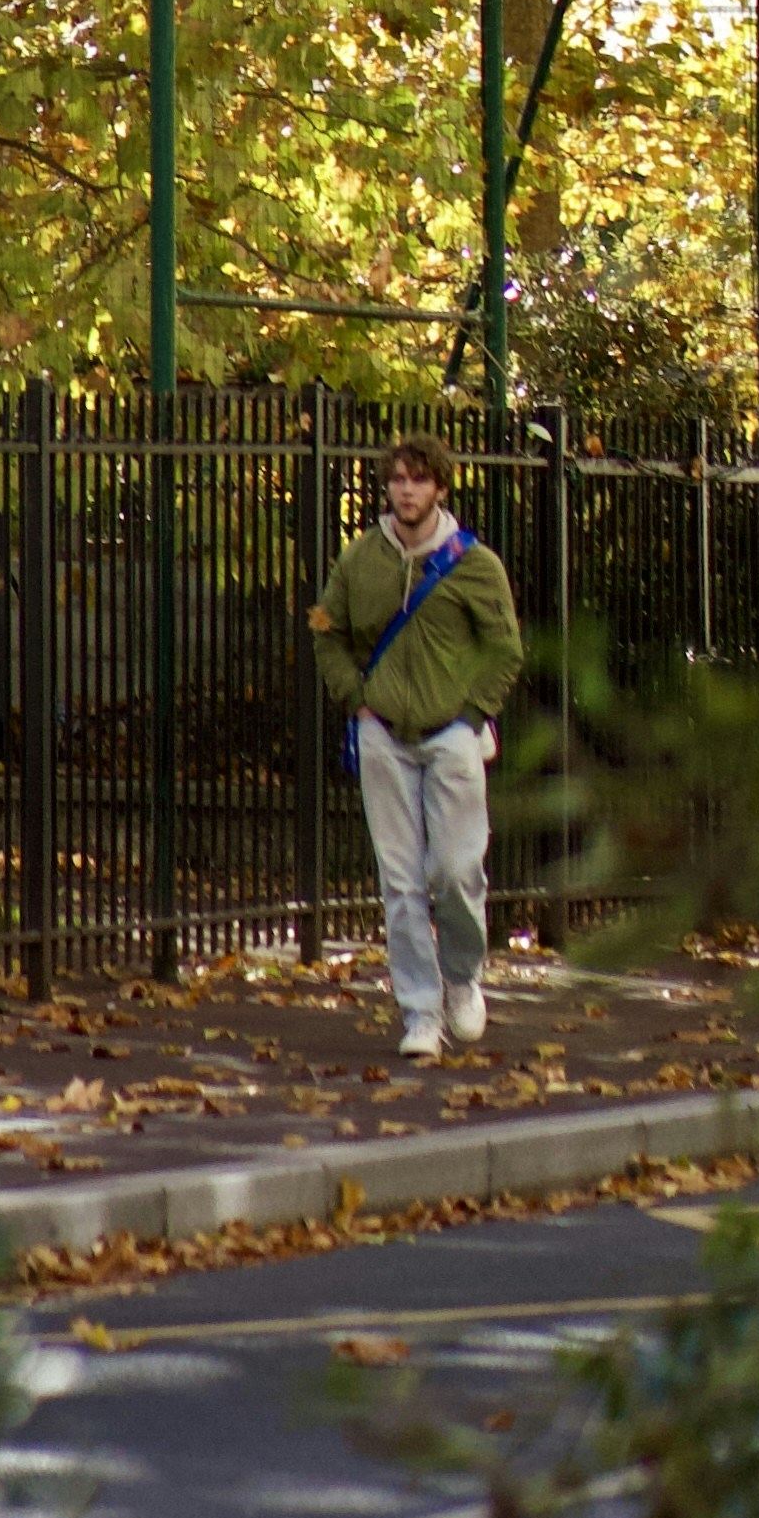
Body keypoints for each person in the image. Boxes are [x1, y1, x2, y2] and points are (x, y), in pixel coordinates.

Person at [309, 435, 525, 1058]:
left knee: (457, 871)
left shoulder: (474, 564)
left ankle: (462, 977)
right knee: (400, 882)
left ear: (440, 488)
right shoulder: (359, 561)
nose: (406, 490)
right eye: (398, 480)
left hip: (452, 735)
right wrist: (357, 698)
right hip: (383, 734)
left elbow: (505, 648)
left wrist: (472, 713)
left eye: (418, 480)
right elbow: (327, 629)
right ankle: (420, 1013)